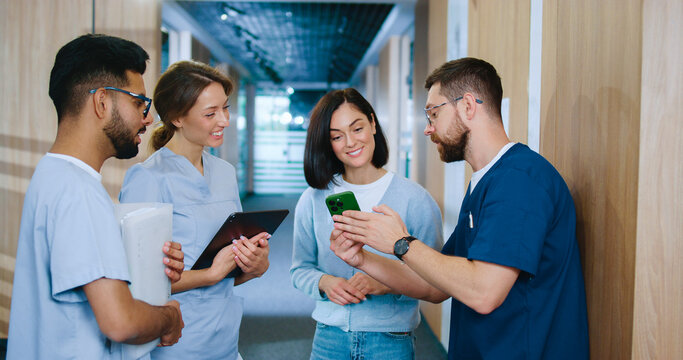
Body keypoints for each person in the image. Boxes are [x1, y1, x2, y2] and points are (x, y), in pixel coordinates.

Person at [329, 58, 590, 359]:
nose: (428, 129)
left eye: (433, 113)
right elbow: (435, 283)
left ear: (468, 106)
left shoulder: (520, 180)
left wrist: (401, 243)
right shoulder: (486, 181)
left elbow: (484, 292)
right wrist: (361, 258)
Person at [7, 34, 185, 360]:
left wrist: (148, 266)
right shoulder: (79, 192)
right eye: (138, 103)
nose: (148, 118)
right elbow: (120, 323)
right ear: (102, 102)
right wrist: (169, 317)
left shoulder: (53, 175)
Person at [118, 60, 270, 360]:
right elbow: (135, 283)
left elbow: (230, 267)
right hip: (179, 341)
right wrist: (209, 275)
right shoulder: (148, 178)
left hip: (226, 335)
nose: (224, 120)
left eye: (225, 108)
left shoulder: (225, 172)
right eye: (210, 113)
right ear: (176, 118)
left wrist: (254, 265)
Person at [290, 88, 443, 360]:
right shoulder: (313, 199)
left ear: (373, 123)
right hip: (329, 337)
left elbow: (438, 279)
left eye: (357, 128)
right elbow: (300, 269)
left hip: (390, 340)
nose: (350, 142)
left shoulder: (415, 199)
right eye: (337, 136)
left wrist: (386, 281)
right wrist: (325, 282)